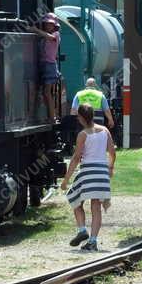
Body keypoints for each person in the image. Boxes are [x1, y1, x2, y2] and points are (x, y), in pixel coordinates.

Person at [62, 104, 116, 251]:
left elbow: (76, 158)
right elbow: (112, 152)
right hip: (102, 172)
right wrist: (110, 168)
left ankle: (82, 230)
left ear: (80, 117)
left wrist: (66, 179)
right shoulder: (105, 131)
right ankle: (93, 241)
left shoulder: (83, 135)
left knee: (74, 199)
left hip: (88, 171)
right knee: (96, 207)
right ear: (93, 115)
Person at [26, 13, 61, 122]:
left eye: (50, 24)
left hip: (50, 66)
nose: (48, 26)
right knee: (43, 93)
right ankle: (47, 115)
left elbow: (49, 37)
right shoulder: (44, 36)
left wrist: (35, 30)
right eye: (46, 24)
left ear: (55, 26)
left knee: (47, 92)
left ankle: (52, 117)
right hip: (42, 65)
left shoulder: (56, 34)